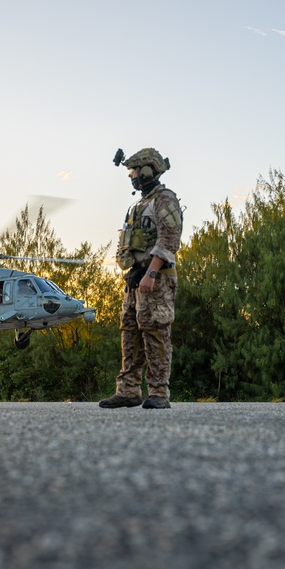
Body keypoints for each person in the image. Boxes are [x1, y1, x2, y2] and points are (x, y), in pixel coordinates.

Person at [99, 147, 183, 410]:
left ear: (148, 170)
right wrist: (134, 272)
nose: (131, 175)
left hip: (155, 278)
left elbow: (169, 239)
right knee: (130, 332)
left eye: (134, 170)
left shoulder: (165, 199)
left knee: (155, 331)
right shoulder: (137, 205)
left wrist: (151, 272)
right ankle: (128, 391)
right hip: (136, 277)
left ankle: (159, 392)